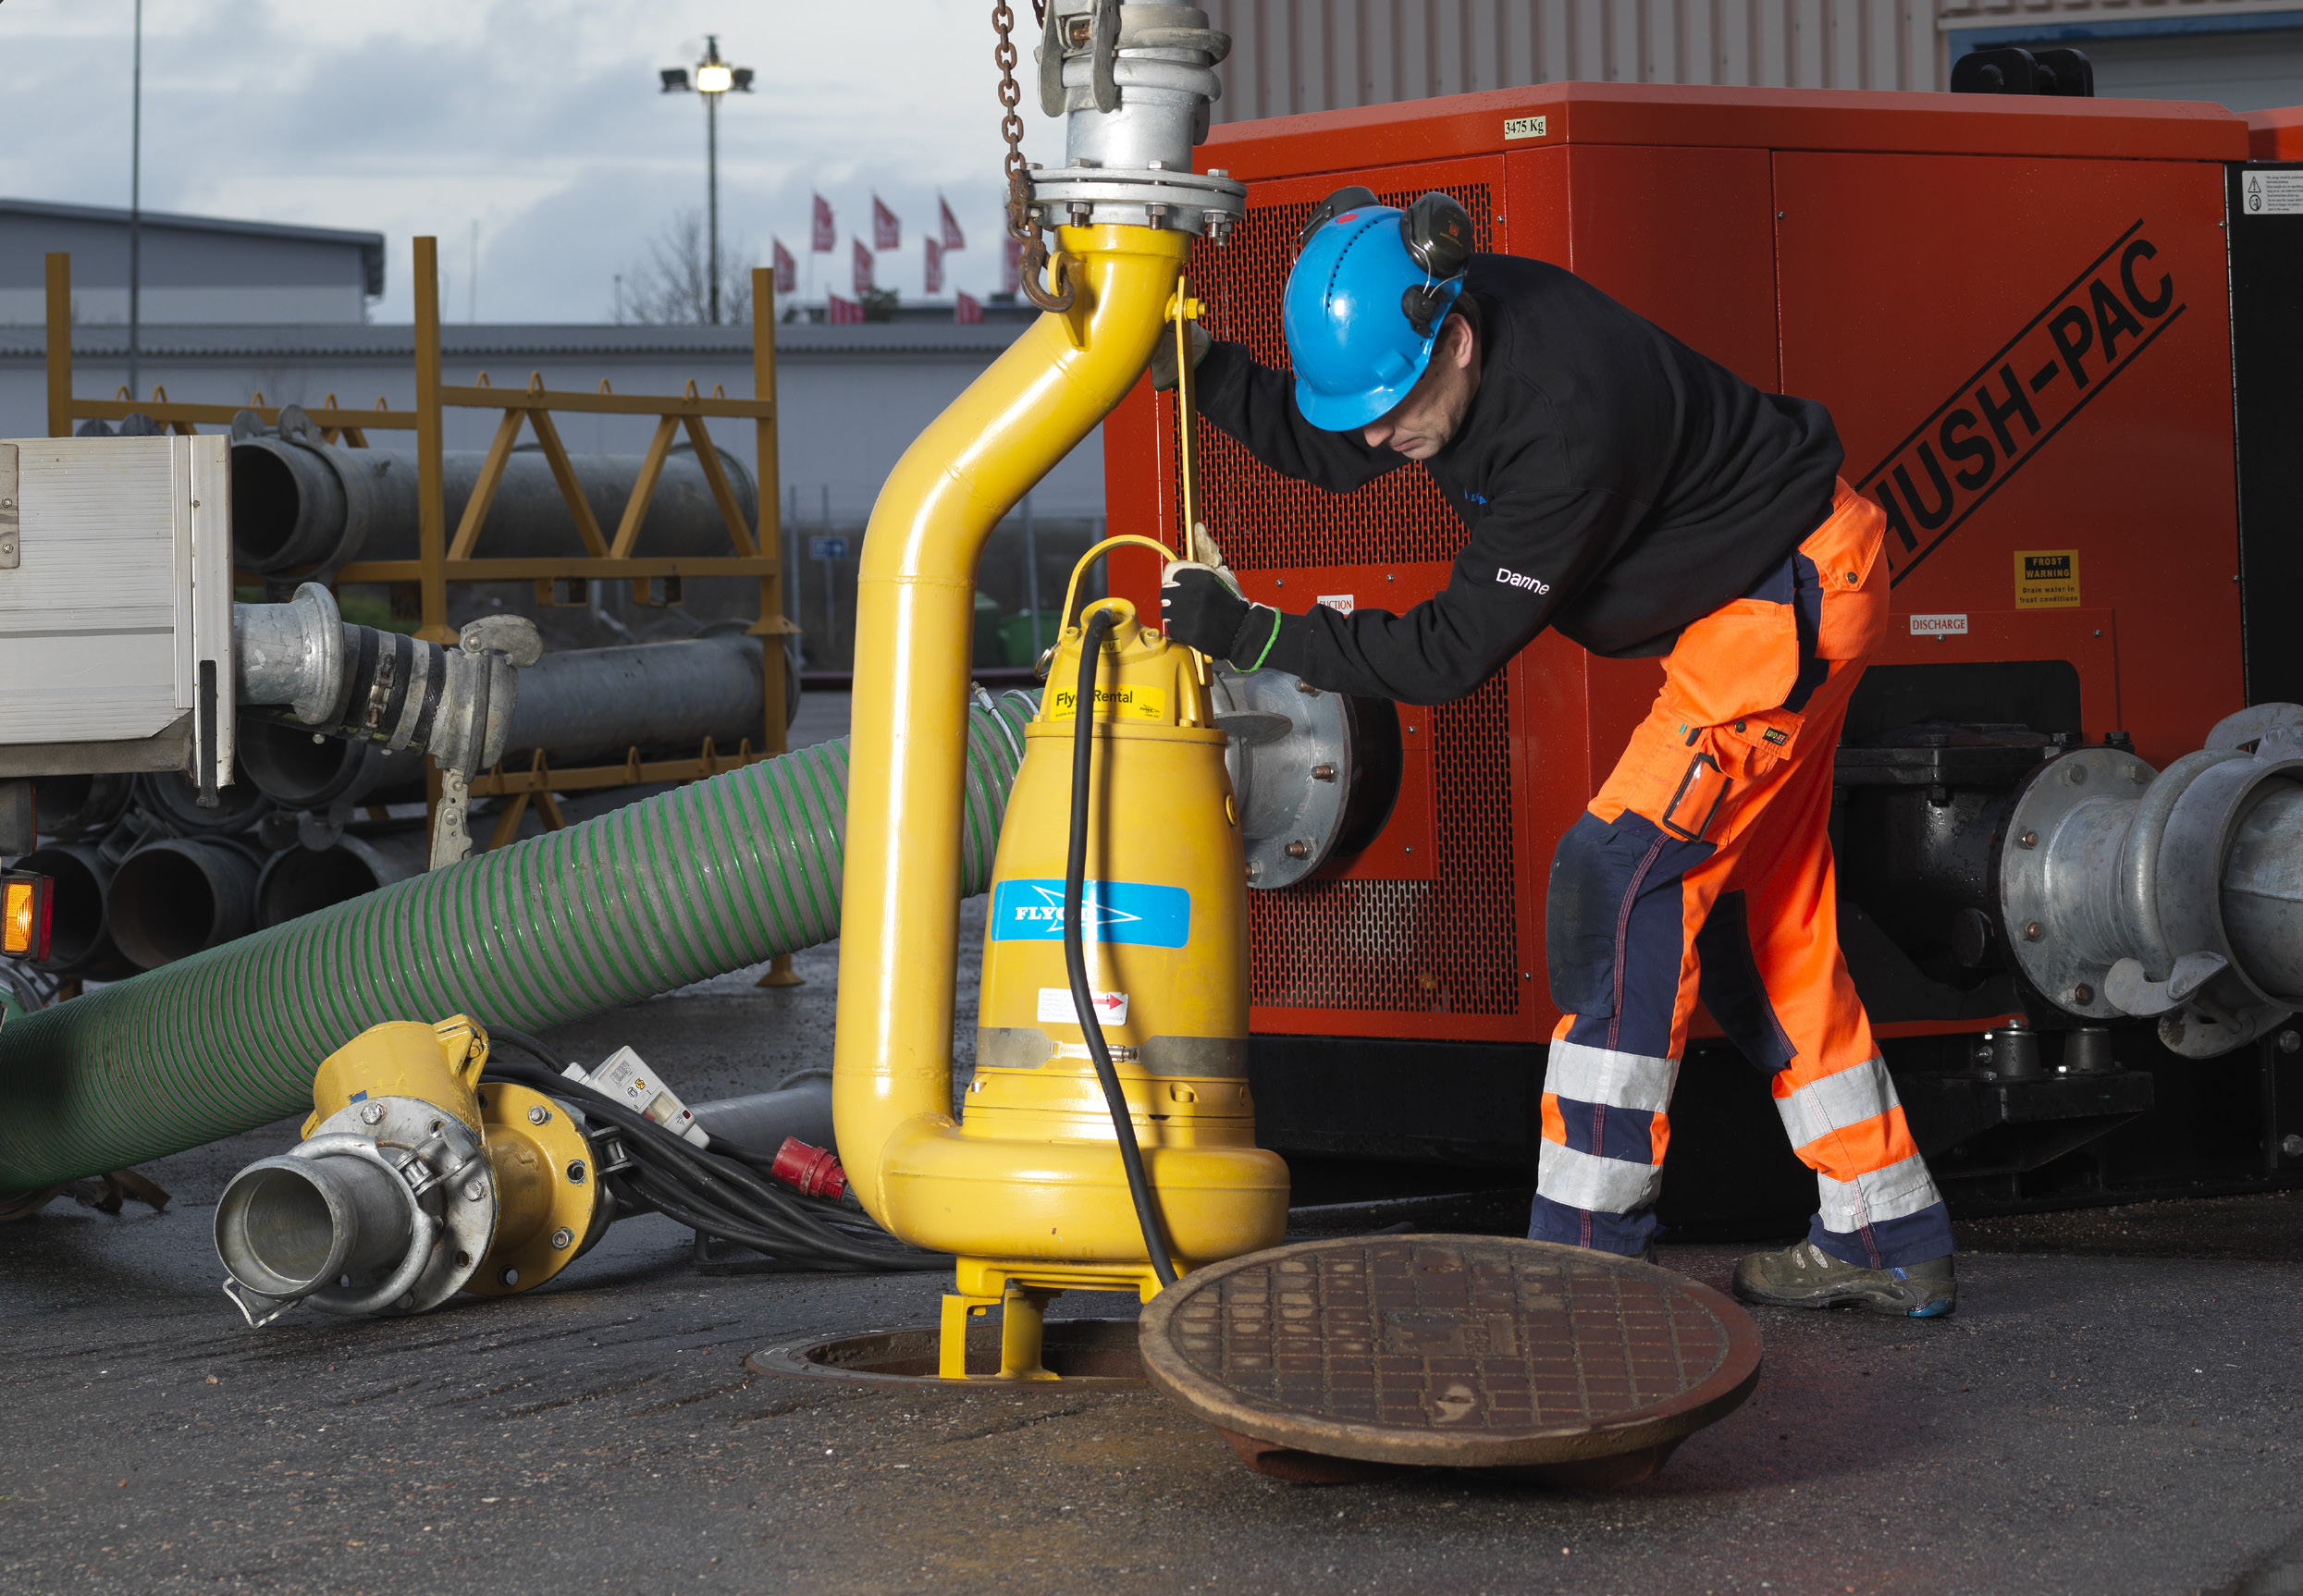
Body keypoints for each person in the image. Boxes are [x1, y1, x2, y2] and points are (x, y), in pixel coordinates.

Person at [1153, 188, 1955, 1318]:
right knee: (1758, 928)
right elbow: (1337, 446)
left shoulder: (1563, 423)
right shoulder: (1445, 343)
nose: (1381, 435)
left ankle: (1583, 1265)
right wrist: (1190, 367)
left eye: (1396, 406)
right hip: (1787, 588)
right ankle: (1886, 1225)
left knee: (1615, 882)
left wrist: (1257, 636)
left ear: (1458, 339)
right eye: (1368, 410)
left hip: (1781, 607)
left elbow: (1445, 652)